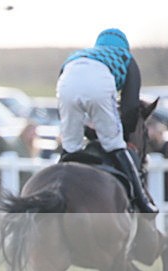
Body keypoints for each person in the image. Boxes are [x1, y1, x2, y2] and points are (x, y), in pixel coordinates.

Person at [56, 28, 157, 214]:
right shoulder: (126, 58)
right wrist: (119, 135)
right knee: (115, 145)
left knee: (70, 147)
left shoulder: (80, 54)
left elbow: (63, 108)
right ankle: (143, 201)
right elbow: (130, 109)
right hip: (99, 82)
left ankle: (55, 192)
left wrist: (88, 132)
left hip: (66, 80)